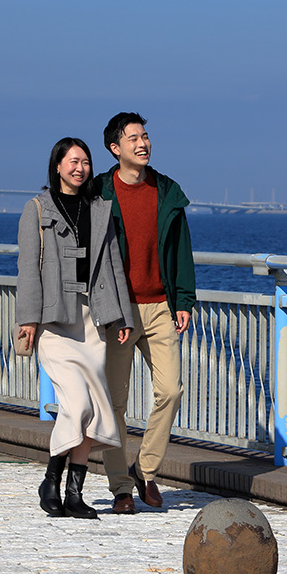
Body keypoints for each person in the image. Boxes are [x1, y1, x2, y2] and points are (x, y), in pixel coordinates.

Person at [16, 137, 134, 519]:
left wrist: (123, 317)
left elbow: (114, 266)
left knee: (96, 411)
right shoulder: (36, 210)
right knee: (77, 403)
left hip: (91, 319)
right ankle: (51, 479)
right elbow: (28, 271)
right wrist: (28, 321)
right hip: (54, 320)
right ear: (57, 166)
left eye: (85, 161)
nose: (80, 168)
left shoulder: (100, 210)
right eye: (72, 161)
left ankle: (74, 493)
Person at [92, 112, 197, 514]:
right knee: (114, 403)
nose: (143, 144)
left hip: (159, 307)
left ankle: (145, 470)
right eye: (133, 138)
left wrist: (183, 300)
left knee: (171, 390)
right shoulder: (100, 191)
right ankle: (120, 486)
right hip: (118, 311)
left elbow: (181, 249)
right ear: (115, 148)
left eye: (146, 136)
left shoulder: (167, 191)